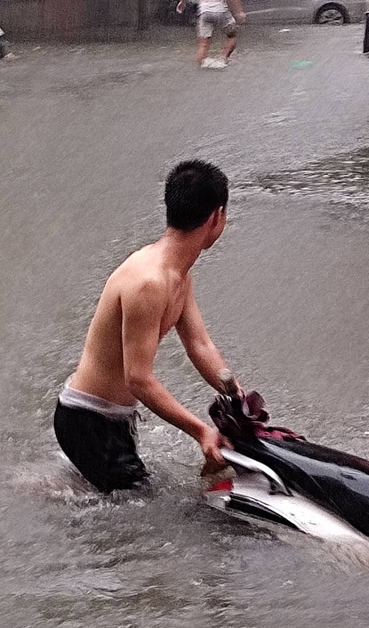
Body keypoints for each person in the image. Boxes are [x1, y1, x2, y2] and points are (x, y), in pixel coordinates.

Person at [54, 160, 239, 494]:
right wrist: (201, 431)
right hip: (86, 420)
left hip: (115, 419)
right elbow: (138, 379)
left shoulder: (178, 274)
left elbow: (200, 345)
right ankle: (41, 491)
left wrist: (237, 397)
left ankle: (61, 486)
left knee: (122, 497)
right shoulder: (148, 283)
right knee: (147, 506)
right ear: (217, 217)